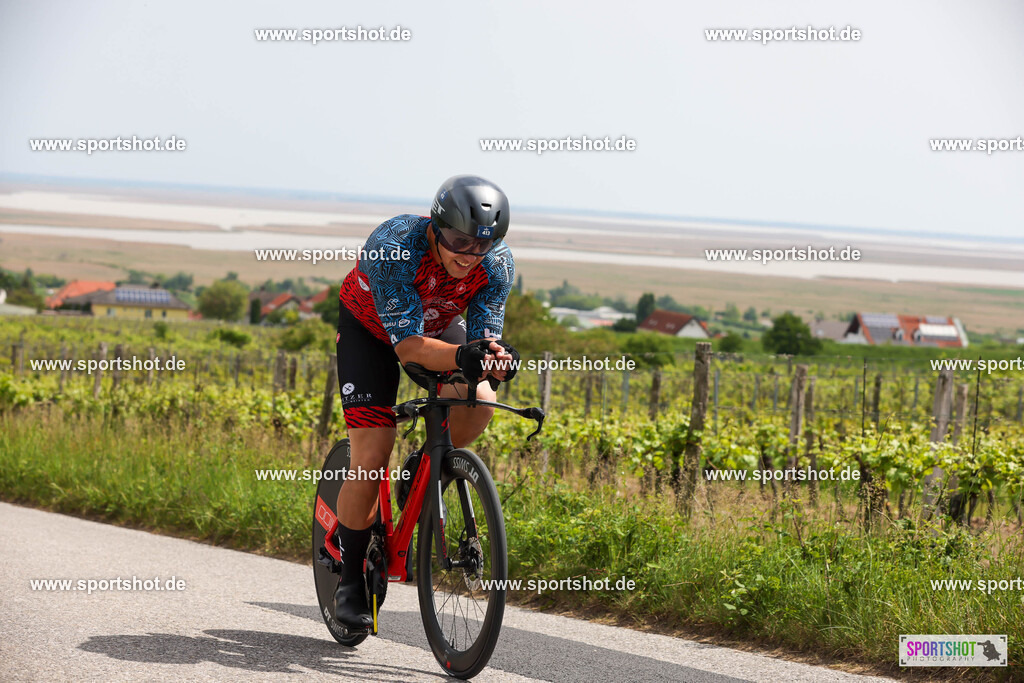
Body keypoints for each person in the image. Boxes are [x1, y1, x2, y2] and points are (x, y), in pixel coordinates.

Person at [332, 174, 520, 629]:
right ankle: (351, 579)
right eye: (458, 240)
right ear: (436, 228)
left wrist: (494, 357)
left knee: (480, 397)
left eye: (482, 245)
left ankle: (423, 467)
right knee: (372, 457)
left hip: (435, 329)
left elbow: (481, 337)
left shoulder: (497, 265)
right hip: (373, 334)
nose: (469, 254)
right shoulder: (394, 244)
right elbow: (409, 347)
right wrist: (462, 354)